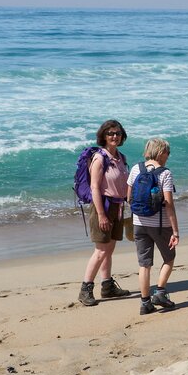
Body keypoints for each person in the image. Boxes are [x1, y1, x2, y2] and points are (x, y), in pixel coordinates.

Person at [79, 119, 134, 306]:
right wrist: (101, 214)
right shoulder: (99, 158)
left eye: (117, 133)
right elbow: (95, 187)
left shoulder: (120, 157)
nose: (114, 136)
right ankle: (85, 289)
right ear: (103, 136)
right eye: (110, 133)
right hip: (103, 206)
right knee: (101, 250)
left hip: (118, 206)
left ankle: (107, 286)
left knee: (109, 249)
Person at [127, 137, 180, 315]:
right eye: (167, 152)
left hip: (139, 223)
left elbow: (129, 197)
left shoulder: (136, 168)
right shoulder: (165, 173)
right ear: (161, 152)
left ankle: (145, 303)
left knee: (144, 264)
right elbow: (169, 204)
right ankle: (160, 293)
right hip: (160, 224)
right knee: (169, 258)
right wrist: (175, 231)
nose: (168, 156)